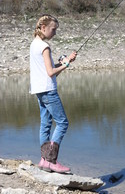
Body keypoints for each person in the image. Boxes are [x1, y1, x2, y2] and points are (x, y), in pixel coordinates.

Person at [30, 14, 77, 173]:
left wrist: (64, 63)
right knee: (63, 123)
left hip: (38, 90)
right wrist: (66, 64)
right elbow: (51, 72)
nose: (55, 33)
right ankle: (51, 160)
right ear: (43, 28)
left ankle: (44, 161)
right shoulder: (44, 46)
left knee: (46, 124)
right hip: (48, 90)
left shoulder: (34, 44)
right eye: (53, 29)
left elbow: (47, 70)